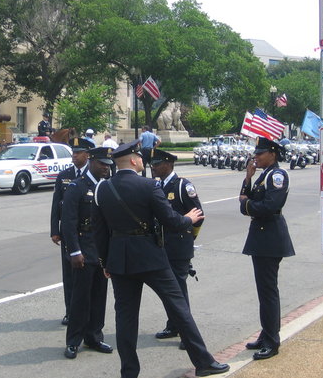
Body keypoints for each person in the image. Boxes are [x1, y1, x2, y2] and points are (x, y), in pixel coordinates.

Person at [92, 139, 229, 378]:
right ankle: (203, 362)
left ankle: (129, 372)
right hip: (150, 256)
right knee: (178, 308)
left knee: (125, 318)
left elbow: (99, 231)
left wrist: (105, 262)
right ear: (134, 161)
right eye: (141, 158)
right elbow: (171, 221)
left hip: (120, 260)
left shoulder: (102, 188)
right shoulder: (149, 186)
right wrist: (189, 218)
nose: (144, 162)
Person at [239, 137, 295, 361]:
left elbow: (270, 205)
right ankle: (266, 333)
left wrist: (246, 205)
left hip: (270, 237)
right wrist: (248, 178)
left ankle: (272, 341)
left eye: (260, 154)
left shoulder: (278, 175)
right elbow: (248, 197)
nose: (256, 157)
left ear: (272, 153)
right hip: (262, 236)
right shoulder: (264, 175)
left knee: (269, 292)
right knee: (264, 292)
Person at [61, 146, 114, 359]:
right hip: (83, 248)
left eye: (109, 165)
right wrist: (74, 251)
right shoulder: (77, 186)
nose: (106, 169)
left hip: (102, 251)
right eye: (102, 164)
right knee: (80, 298)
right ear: (92, 161)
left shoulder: (107, 186)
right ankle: (73, 340)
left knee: (99, 297)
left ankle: (94, 337)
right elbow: (68, 222)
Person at [150, 149, 204, 350]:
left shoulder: (182, 185)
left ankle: (186, 333)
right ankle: (173, 325)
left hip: (179, 247)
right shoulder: (155, 185)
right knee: (168, 291)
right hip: (162, 246)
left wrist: (190, 238)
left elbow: (198, 215)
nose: (153, 167)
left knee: (179, 292)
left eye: (156, 163)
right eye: (152, 163)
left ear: (168, 164)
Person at [50, 137, 93, 326]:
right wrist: (54, 230)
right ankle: (70, 312)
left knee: (91, 275)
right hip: (68, 232)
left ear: (87, 155)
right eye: (73, 153)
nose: (74, 156)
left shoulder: (96, 174)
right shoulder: (64, 175)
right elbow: (56, 204)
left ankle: (89, 312)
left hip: (90, 233)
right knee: (69, 274)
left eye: (78, 153)